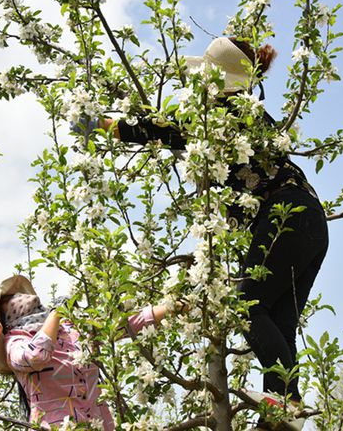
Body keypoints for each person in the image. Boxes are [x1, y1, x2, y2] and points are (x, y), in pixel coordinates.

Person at [98, 37, 329, 428]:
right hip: (311, 220)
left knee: (246, 306)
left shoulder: (216, 116)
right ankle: (281, 417)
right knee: (279, 321)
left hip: (285, 215)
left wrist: (92, 122)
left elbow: (151, 129)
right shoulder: (253, 115)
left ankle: (286, 404)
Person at [0, 275, 174, 430]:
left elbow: (124, 325)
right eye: (10, 299)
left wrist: (172, 307)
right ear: (5, 319)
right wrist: (56, 312)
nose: (20, 298)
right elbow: (36, 356)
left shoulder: (70, 327)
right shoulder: (15, 342)